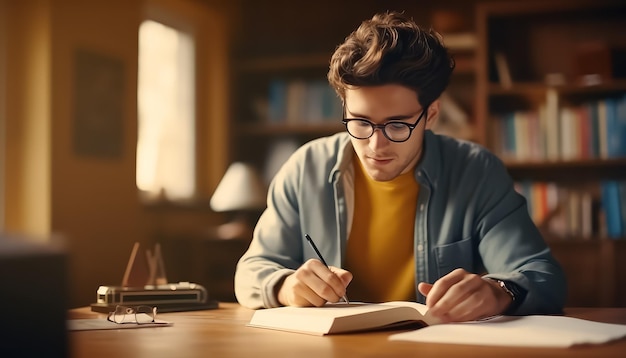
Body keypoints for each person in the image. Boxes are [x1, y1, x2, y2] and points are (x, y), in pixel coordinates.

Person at [234, 11, 566, 322]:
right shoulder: (305, 168)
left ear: (431, 115)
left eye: (397, 125)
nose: (376, 145)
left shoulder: (476, 172)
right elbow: (252, 270)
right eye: (360, 122)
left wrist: (500, 291)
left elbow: (541, 274)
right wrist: (286, 286)